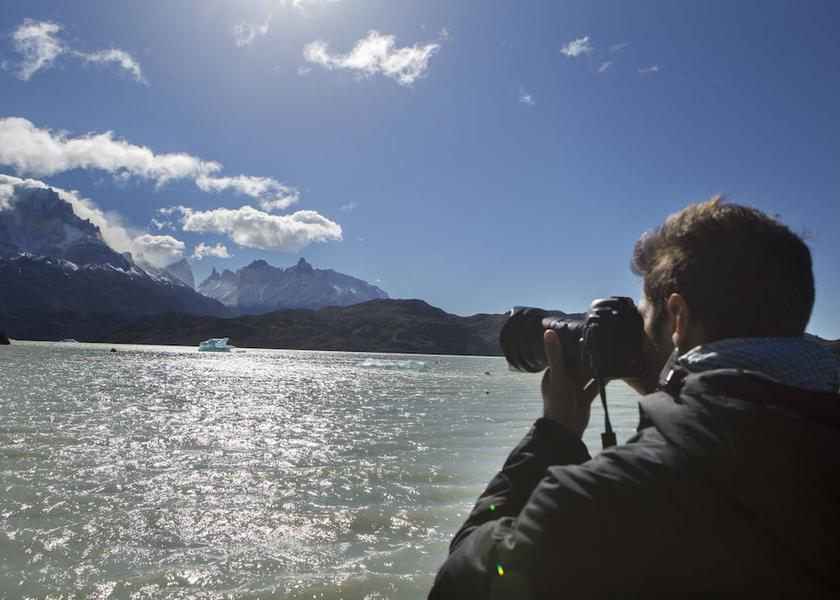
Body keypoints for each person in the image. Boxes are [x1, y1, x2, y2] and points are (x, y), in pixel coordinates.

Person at [429, 196, 840, 598]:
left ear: (678, 319)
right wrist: (673, 394)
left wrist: (554, 435)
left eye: (644, 318)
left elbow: (459, 582)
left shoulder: (612, 498)